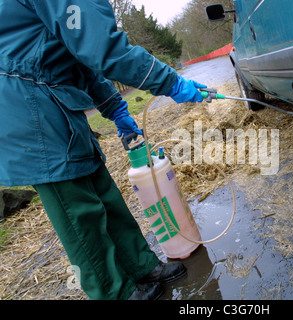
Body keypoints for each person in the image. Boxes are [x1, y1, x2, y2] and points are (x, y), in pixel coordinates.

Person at [0, 0, 207, 300]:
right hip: (25, 104)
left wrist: (116, 110)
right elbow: (104, 49)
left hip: (51, 96)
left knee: (102, 189)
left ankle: (139, 266)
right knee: (76, 209)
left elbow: (81, 56)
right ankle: (114, 292)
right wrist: (170, 82)